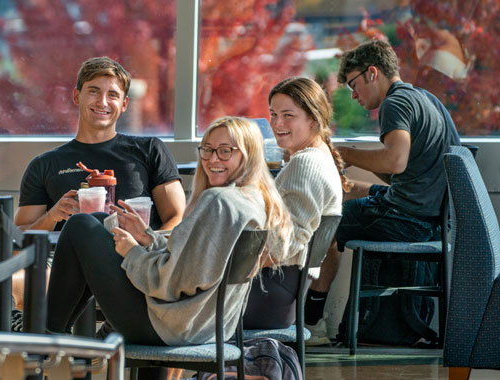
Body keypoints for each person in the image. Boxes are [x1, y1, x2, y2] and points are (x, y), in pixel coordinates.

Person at [46, 116, 292, 346]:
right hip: (206, 327)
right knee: (99, 220)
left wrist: (132, 251)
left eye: (225, 151)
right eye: (207, 149)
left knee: (81, 225)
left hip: (169, 326)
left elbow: (170, 284)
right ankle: (62, 340)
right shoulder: (254, 200)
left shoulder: (218, 202)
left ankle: (47, 339)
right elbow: (196, 264)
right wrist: (149, 239)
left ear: (248, 156)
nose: (213, 159)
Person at [303, 39, 460, 344]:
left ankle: (309, 322)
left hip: (406, 219)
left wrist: (344, 153)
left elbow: (395, 160)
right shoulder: (426, 99)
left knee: (325, 220)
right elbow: (401, 170)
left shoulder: (395, 103)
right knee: (350, 191)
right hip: (431, 219)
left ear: (372, 73)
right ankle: (313, 320)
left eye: (353, 84)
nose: (354, 95)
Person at [14, 56, 185, 232]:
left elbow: (177, 219)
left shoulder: (150, 150)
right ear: (76, 96)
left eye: (113, 95)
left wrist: (144, 251)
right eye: (94, 91)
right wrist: (52, 217)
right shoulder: (44, 165)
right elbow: (18, 238)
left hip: (135, 257)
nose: (102, 102)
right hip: (69, 258)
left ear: (124, 104)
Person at [242, 77, 349, 329]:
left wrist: (227, 266)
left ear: (314, 119)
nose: (277, 123)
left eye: (288, 115)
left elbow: (285, 245)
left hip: (269, 294)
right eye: (273, 114)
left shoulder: (306, 164)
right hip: (279, 292)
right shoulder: (313, 159)